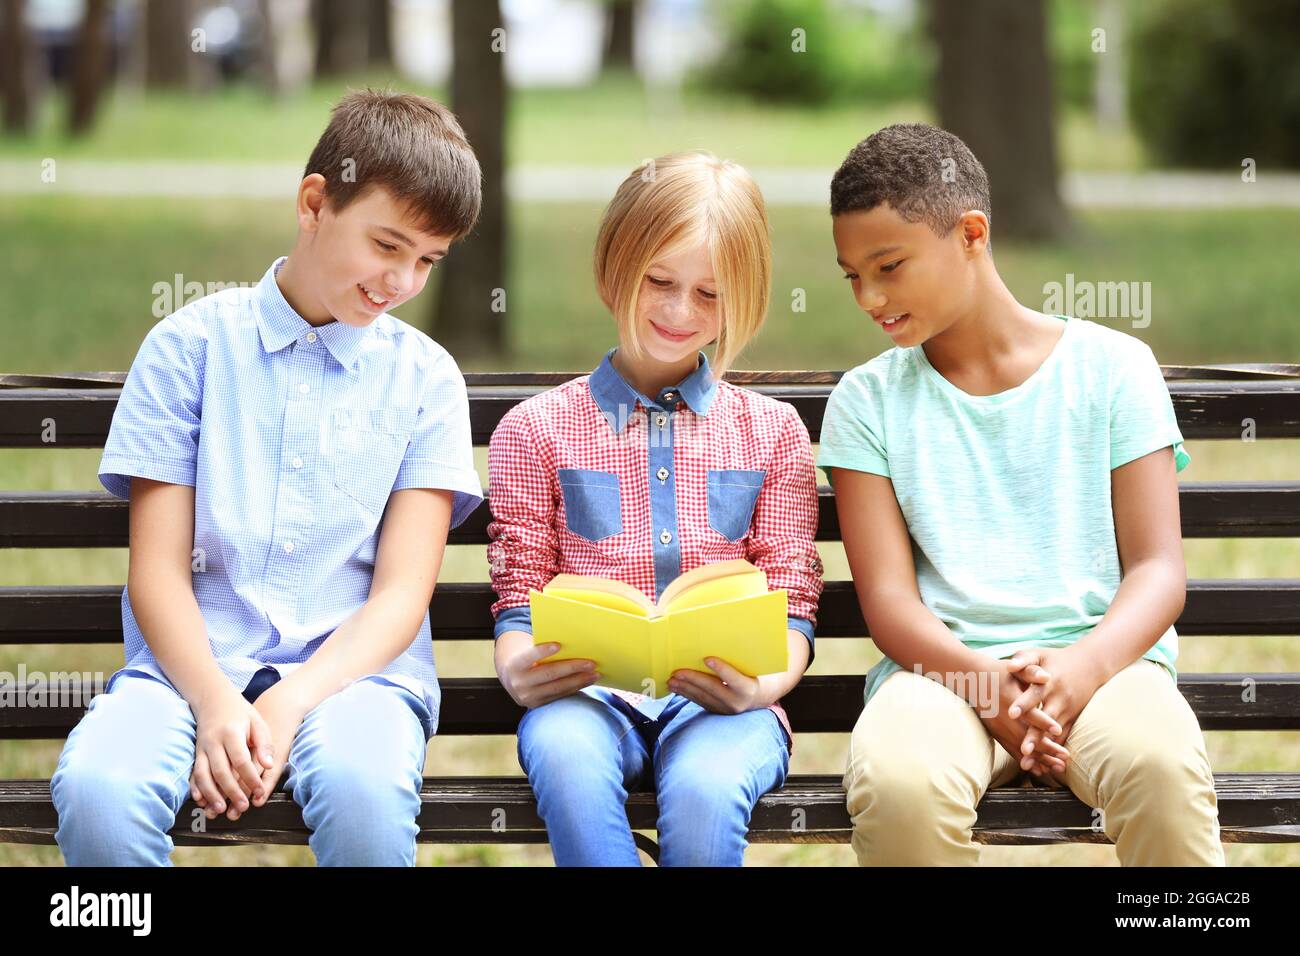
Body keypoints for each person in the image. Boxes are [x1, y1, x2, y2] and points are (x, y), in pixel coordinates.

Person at [51, 89, 485, 866]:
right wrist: (216, 703)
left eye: (427, 260)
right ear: (315, 202)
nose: (402, 282)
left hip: (357, 681)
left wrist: (290, 701)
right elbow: (157, 574)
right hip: (187, 670)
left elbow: (399, 597)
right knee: (99, 791)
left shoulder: (427, 378)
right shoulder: (189, 349)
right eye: (387, 245)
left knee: (363, 791)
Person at [819, 122, 1224, 866]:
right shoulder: (866, 402)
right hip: (937, 674)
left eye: (889, 266)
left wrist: (1082, 670)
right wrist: (986, 689)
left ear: (971, 234)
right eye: (851, 275)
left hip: (1106, 666)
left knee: (1161, 769)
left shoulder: (1115, 369)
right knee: (900, 784)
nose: (868, 297)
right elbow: (891, 605)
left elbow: (1158, 571)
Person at [486, 152, 824, 866]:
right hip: (587, 700)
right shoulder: (536, 430)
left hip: (724, 706)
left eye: (710, 293)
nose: (678, 312)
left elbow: (793, 595)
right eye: (659, 282)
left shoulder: (770, 432)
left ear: (746, 296)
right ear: (615, 267)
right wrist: (518, 667)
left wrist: (765, 685)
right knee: (566, 758)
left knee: (706, 792)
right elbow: (521, 590)